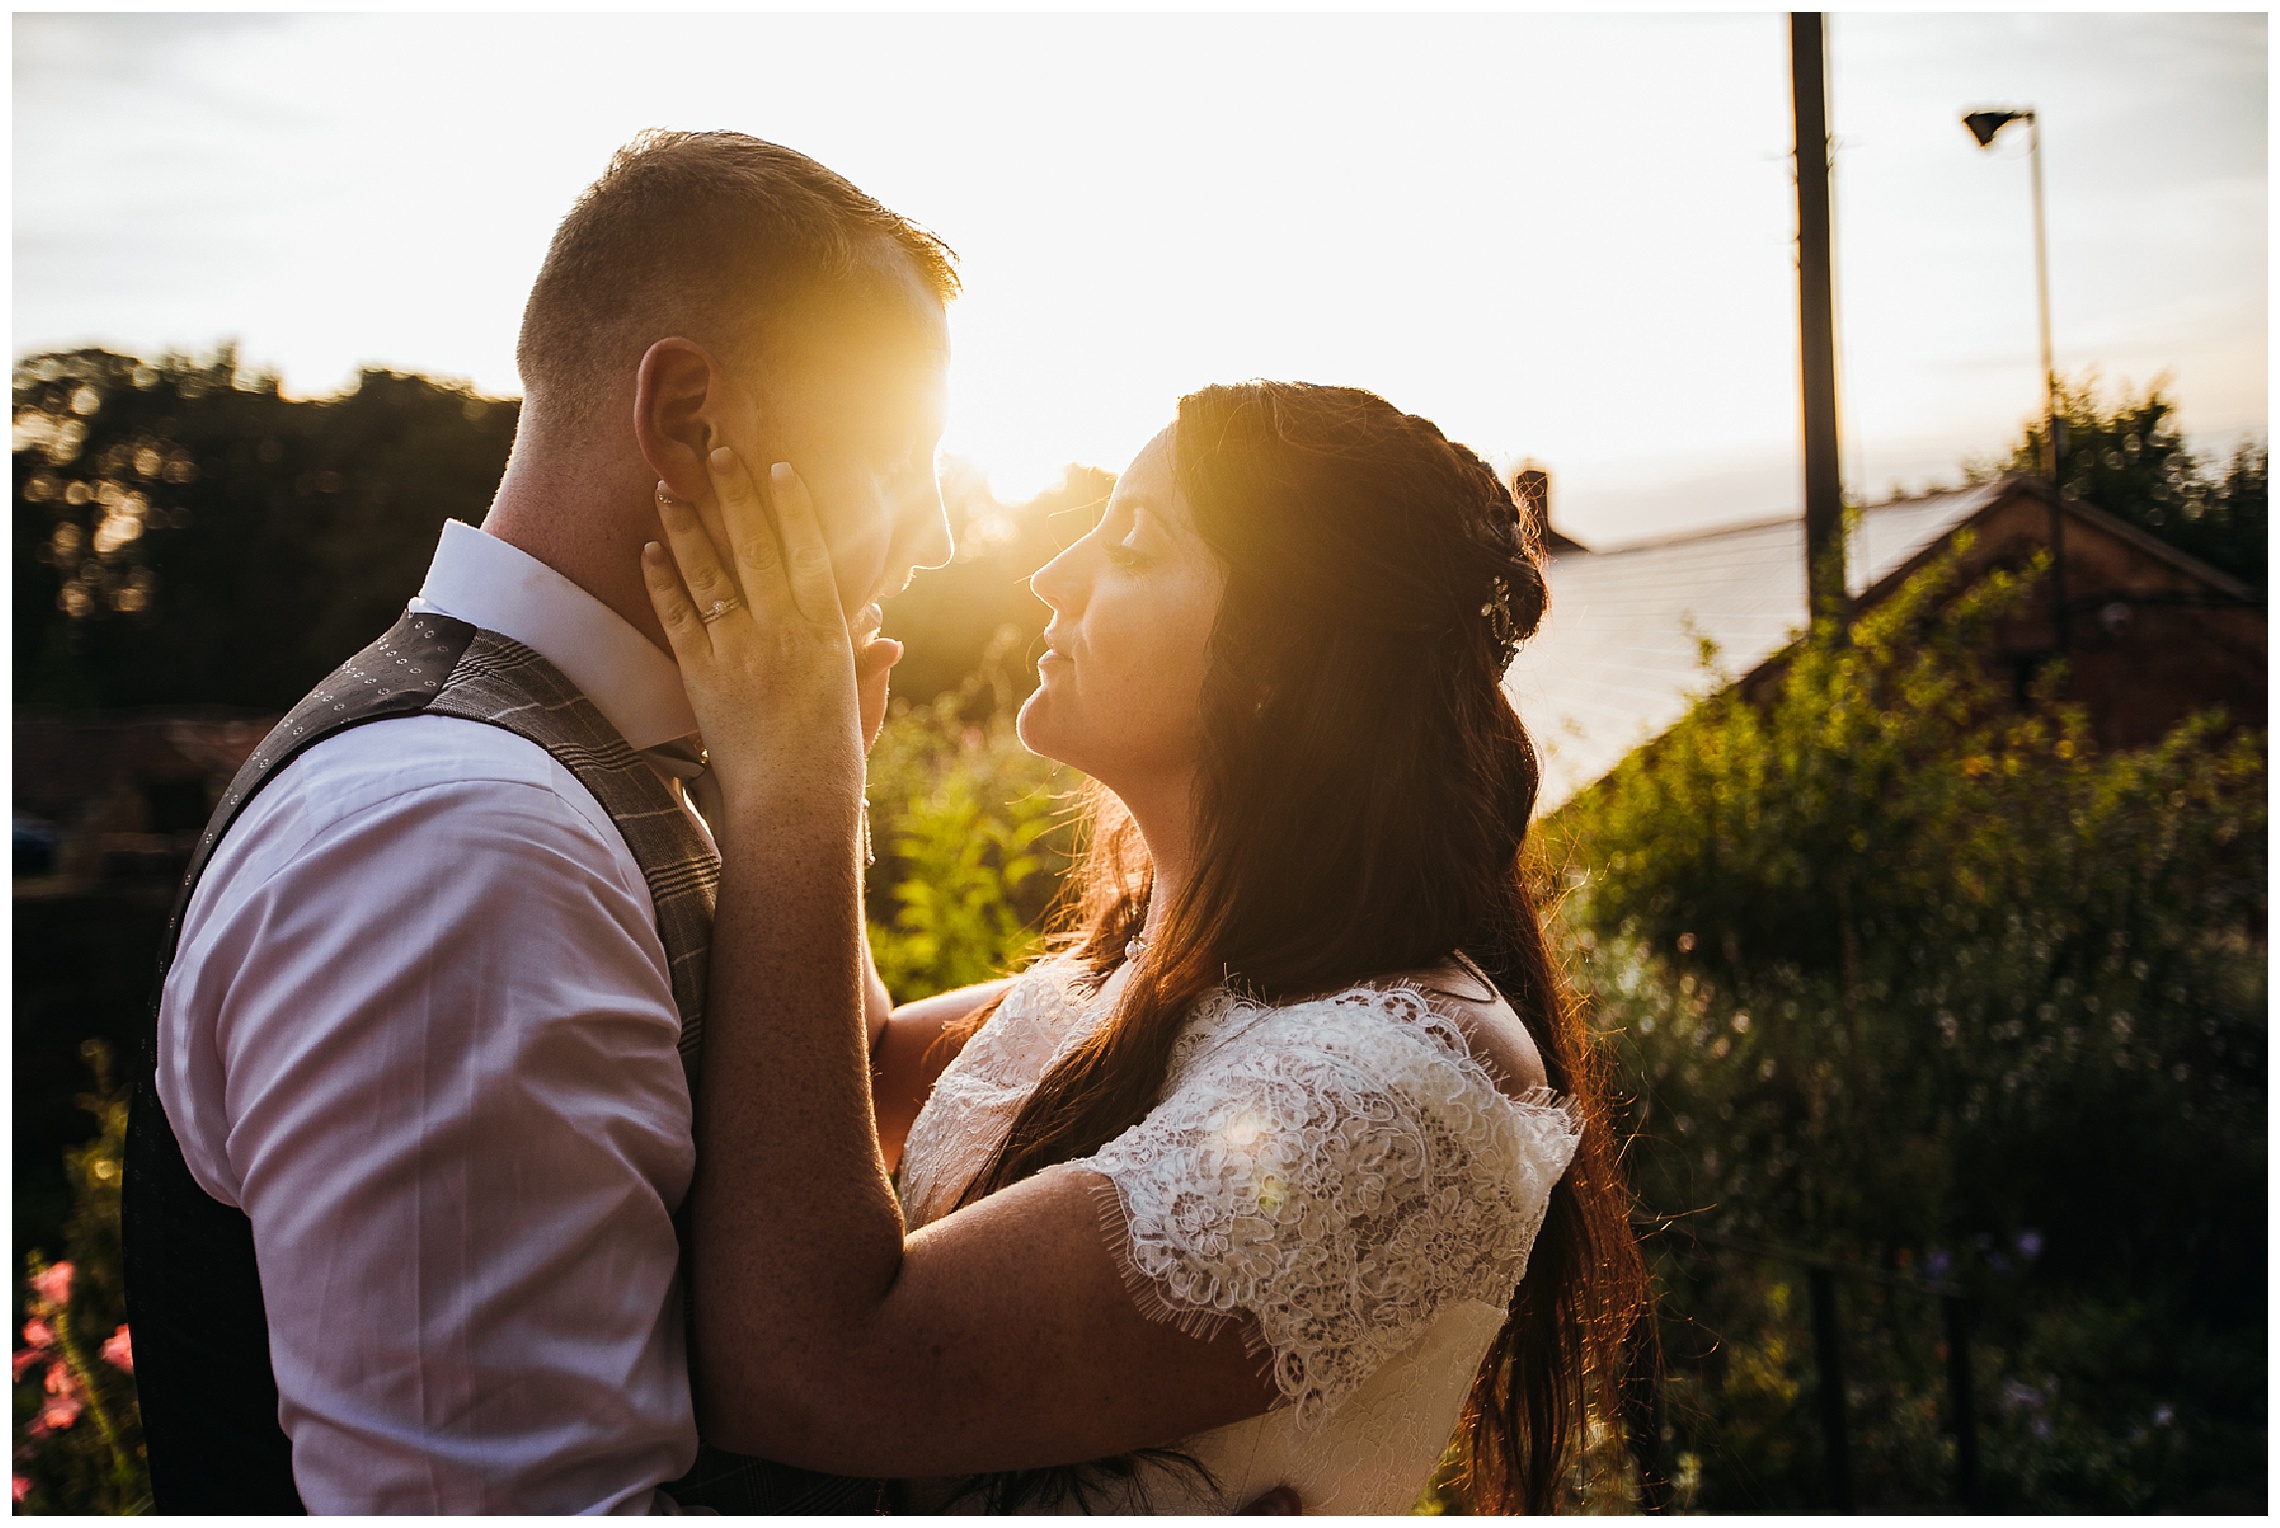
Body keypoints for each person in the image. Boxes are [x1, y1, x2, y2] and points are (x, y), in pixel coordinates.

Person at [121, 130, 960, 1513]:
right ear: (691, 421)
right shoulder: (461, 847)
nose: (935, 537)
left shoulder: (626, 765)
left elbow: (836, 1088)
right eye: (899, 459)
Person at [644, 381, 1656, 1512]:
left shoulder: (1388, 1092)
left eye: (1130, 547)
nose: (1050, 574)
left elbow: (810, 1366)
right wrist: (799, 739)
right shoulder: (1133, 969)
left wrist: (798, 782)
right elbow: (851, 1069)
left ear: (1280, 656)